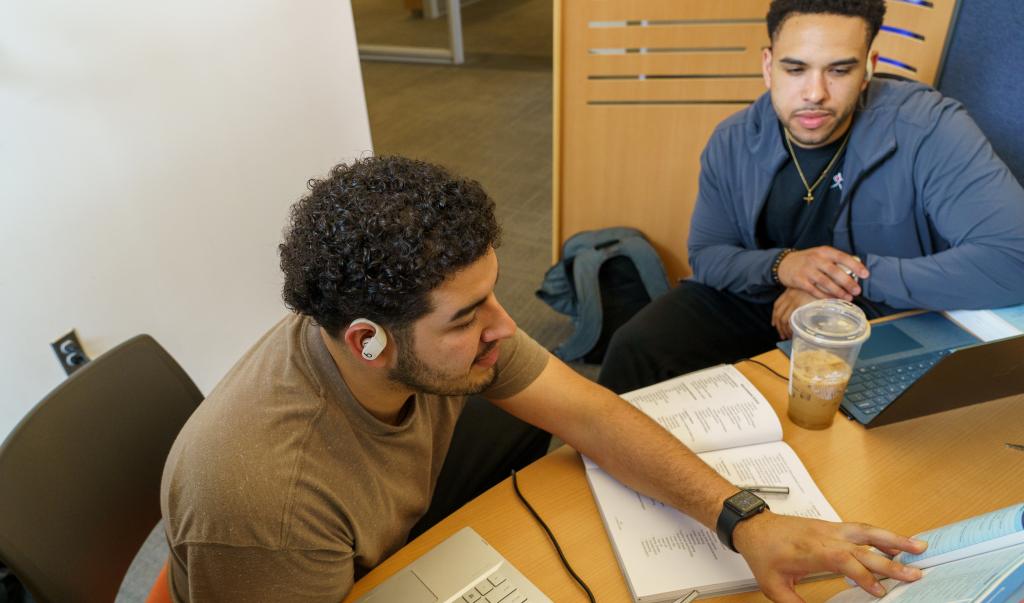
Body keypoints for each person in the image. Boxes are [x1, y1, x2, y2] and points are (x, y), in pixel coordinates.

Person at [160, 155, 926, 603]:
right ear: (369, 341)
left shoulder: (410, 334)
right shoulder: (270, 501)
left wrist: (745, 521)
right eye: (465, 317)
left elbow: (590, 413)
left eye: (493, 292)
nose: (503, 324)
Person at [598, 0, 1024, 395]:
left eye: (839, 71)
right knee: (637, 348)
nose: (815, 92)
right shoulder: (733, 139)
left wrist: (839, 285)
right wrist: (785, 265)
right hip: (769, 298)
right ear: (768, 67)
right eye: (795, 69)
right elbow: (709, 254)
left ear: (869, 69)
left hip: (884, 312)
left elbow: (1014, 258)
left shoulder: (929, 128)